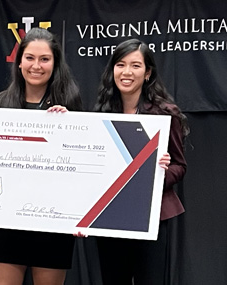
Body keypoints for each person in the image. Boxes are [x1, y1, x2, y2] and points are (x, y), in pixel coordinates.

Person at [0, 27, 82, 285]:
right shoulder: (0, 103)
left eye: (44, 59)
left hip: (51, 223)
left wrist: (68, 127)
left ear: (55, 64)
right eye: (29, 58)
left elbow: (80, 167)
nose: (36, 66)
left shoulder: (70, 104)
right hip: (8, 221)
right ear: (19, 62)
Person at [93, 38, 189, 285]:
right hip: (111, 217)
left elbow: (180, 165)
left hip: (151, 217)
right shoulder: (101, 114)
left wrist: (156, 175)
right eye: (120, 64)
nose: (126, 72)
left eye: (135, 66)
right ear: (112, 69)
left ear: (147, 73)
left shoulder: (165, 114)